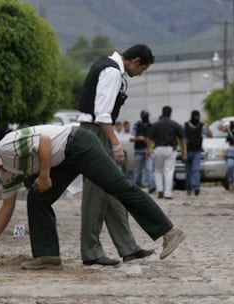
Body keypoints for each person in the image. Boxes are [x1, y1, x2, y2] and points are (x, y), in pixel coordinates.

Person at [0, 125, 186, 270]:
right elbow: (7, 206)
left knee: (119, 187)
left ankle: (169, 230)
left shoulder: (6, 147)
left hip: (79, 144)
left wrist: (45, 175)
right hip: (65, 159)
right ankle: (48, 255)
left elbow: (43, 142)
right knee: (37, 198)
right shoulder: (6, 171)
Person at [77, 44, 155, 266]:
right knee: (97, 192)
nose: (140, 74)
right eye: (143, 69)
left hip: (95, 131)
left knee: (115, 190)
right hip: (95, 132)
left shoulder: (108, 66)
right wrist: (115, 144)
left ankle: (128, 247)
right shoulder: (111, 71)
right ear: (135, 61)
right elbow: (102, 115)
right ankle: (90, 251)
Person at [146, 106, 186, 199]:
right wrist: (184, 152)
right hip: (170, 149)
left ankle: (160, 190)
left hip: (158, 149)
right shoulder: (175, 124)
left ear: (162, 112)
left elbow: (149, 139)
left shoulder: (156, 125)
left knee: (157, 170)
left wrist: (148, 150)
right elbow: (182, 139)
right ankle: (168, 193)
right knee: (169, 171)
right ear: (170, 113)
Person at [184, 110, 213, 196]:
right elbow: (183, 139)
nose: (197, 118)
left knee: (195, 170)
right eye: (195, 116)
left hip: (197, 151)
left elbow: (210, 135)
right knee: (188, 171)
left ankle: (196, 187)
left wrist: (206, 125)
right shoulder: (186, 125)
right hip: (188, 151)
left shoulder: (201, 126)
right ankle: (189, 189)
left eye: (198, 116)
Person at [130, 110, 155, 193]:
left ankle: (151, 186)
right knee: (137, 170)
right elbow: (131, 138)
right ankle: (133, 187)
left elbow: (153, 139)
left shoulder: (151, 126)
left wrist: (148, 143)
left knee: (149, 170)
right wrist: (139, 138)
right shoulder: (137, 126)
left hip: (148, 151)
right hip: (139, 150)